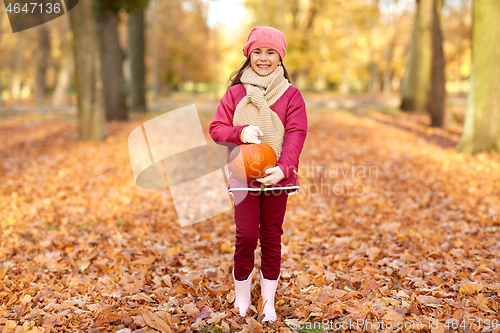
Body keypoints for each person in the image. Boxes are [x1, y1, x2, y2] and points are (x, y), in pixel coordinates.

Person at [208, 26, 307, 323]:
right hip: (243, 177)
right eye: (258, 52)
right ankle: (242, 300)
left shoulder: (291, 95)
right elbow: (216, 129)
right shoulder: (235, 93)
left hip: (278, 176)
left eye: (270, 52)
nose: (263, 58)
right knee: (246, 235)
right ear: (249, 55)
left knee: (271, 237)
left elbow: (295, 133)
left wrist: (284, 168)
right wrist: (240, 132)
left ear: (280, 57)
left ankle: (267, 302)